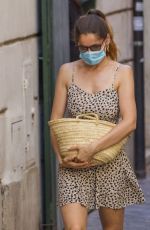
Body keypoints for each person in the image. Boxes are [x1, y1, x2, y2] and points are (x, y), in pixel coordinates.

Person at [50, 9, 145, 230]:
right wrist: (60, 157)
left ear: (106, 41)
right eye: (83, 48)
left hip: (110, 162)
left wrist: (92, 148)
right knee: (75, 228)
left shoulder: (122, 72)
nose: (89, 52)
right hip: (73, 164)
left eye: (94, 47)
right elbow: (54, 120)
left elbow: (130, 121)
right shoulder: (67, 71)